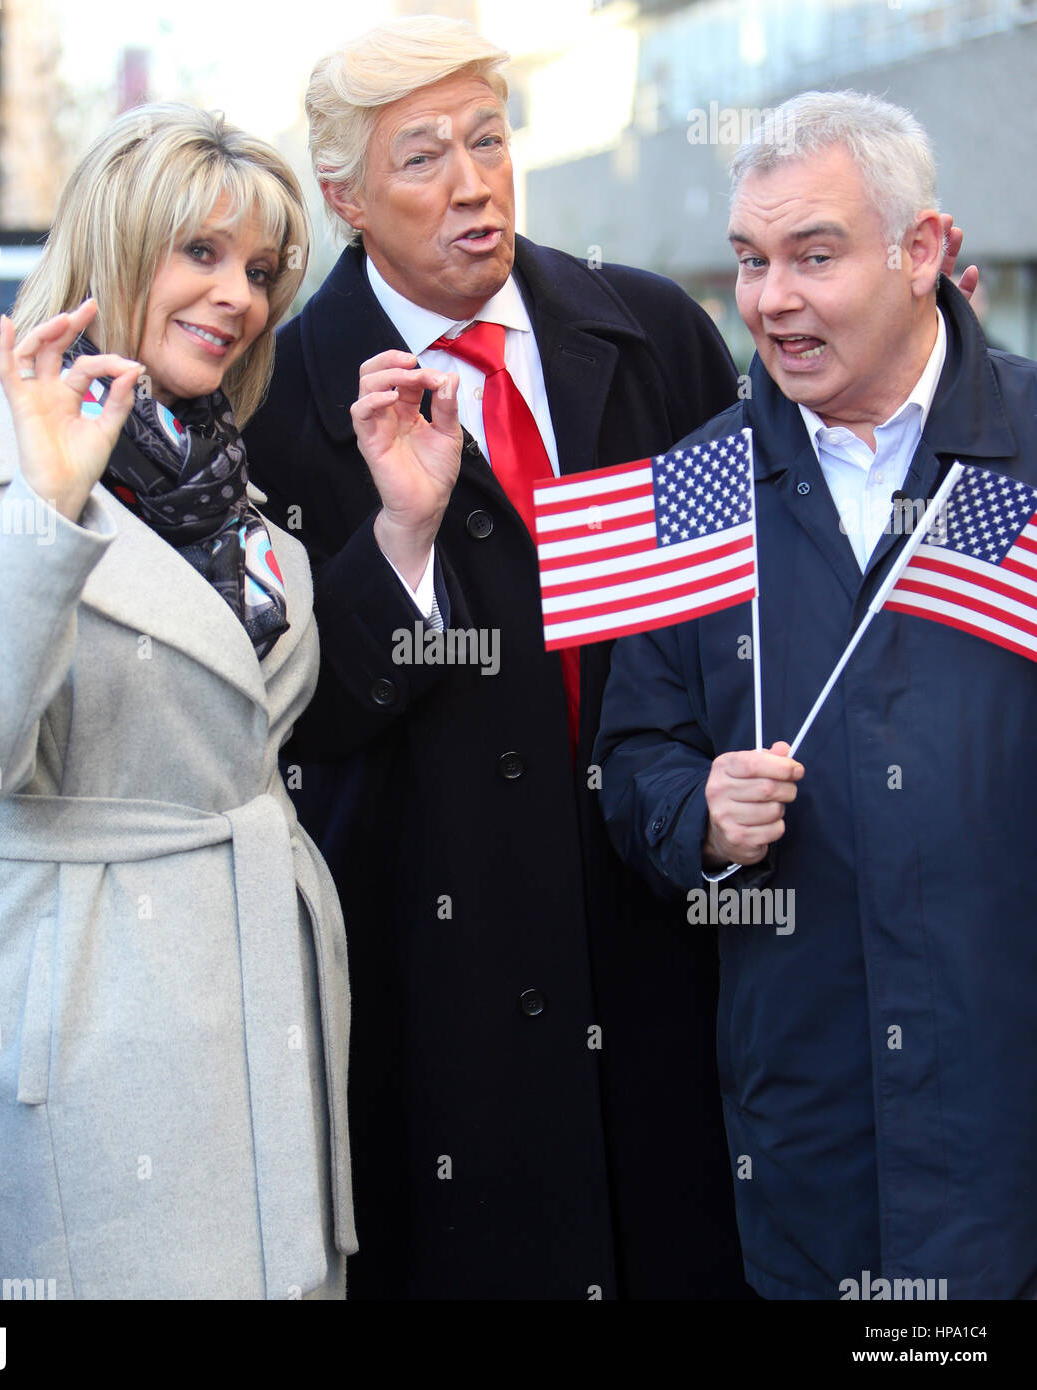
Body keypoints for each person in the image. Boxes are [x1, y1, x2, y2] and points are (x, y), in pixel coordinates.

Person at [241, 15, 752, 1300]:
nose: (474, 183)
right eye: (424, 159)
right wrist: (402, 541)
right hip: (435, 974)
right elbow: (287, 721)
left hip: (659, 921)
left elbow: (749, 593)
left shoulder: (649, 330)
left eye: (488, 139)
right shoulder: (280, 396)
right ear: (346, 197)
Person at [0, 102, 375, 1299]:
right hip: (90, 1012)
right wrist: (45, 518)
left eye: (258, 269)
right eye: (198, 253)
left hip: (257, 991)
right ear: (112, 248)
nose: (238, 297)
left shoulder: (234, 496)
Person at [595, 89, 1035, 1299]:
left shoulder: (1029, 455)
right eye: (749, 261)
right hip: (809, 1149)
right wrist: (697, 816)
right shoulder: (693, 487)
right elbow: (634, 758)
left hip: (1009, 1128)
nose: (771, 299)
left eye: (813, 256)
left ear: (924, 252)